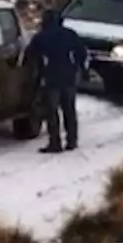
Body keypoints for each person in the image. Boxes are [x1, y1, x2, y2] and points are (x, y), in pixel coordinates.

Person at [25, 8, 89, 153]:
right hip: (69, 76)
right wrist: (81, 69)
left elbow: (30, 55)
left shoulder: (41, 37)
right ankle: (72, 140)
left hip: (51, 77)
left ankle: (55, 142)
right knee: (69, 110)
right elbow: (82, 52)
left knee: (52, 111)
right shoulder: (70, 34)